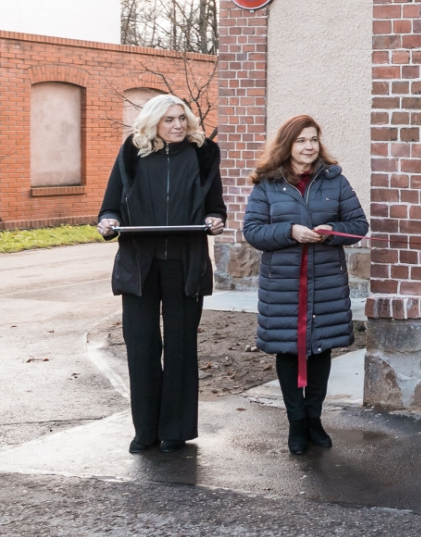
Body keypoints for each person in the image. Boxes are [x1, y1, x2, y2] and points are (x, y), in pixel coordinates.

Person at [97, 94, 226, 454]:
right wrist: (108, 221)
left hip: (184, 264)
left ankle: (175, 431)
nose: (178, 125)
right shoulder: (132, 153)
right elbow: (110, 206)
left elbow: (216, 206)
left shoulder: (203, 155)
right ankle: (145, 431)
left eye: (182, 118)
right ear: (154, 122)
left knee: (181, 346)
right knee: (141, 346)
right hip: (140, 264)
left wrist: (215, 219)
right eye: (169, 119)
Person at [242, 115, 367, 455]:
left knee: (321, 349)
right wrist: (289, 231)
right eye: (301, 140)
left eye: (313, 139)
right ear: (287, 144)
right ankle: (296, 423)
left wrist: (331, 232)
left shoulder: (334, 180)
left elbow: (358, 225)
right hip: (283, 285)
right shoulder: (267, 184)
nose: (309, 146)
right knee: (288, 350)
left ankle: (314, 419)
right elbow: (252, 231)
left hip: (325, 282)